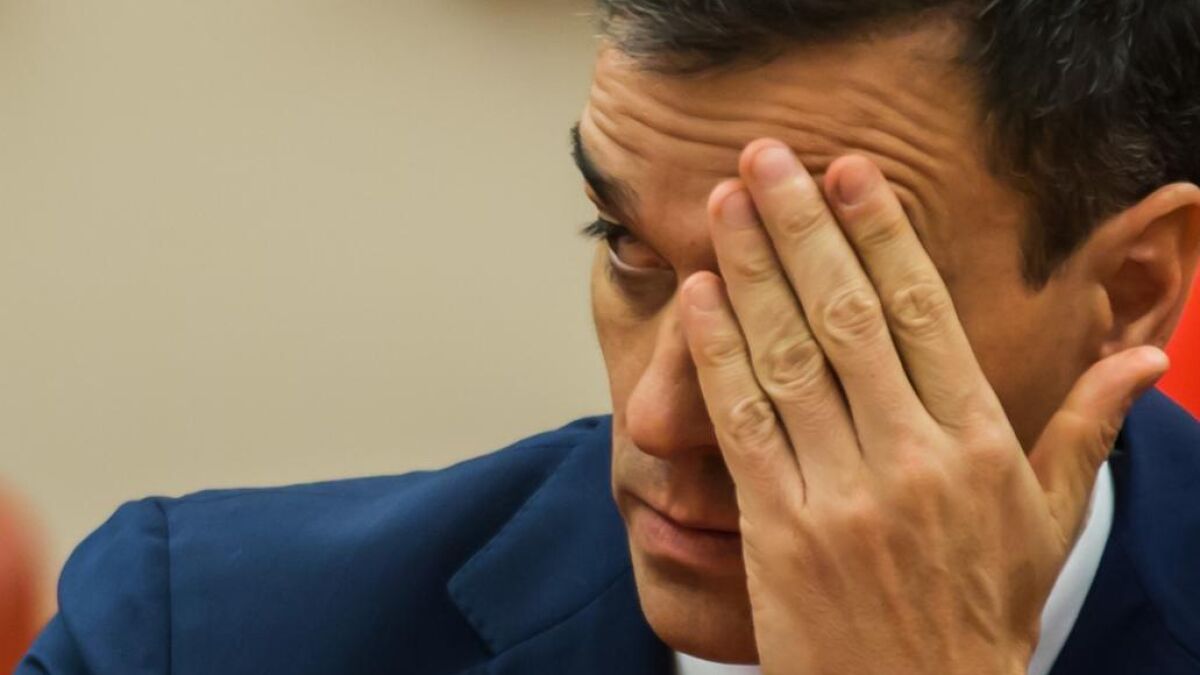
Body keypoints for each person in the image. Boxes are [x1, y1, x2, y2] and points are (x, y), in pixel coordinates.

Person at [19, 2, 1200, 674]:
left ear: (1131, 289)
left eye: (811, 298)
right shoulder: (193, 641)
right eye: (628, 248)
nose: (661, 419)